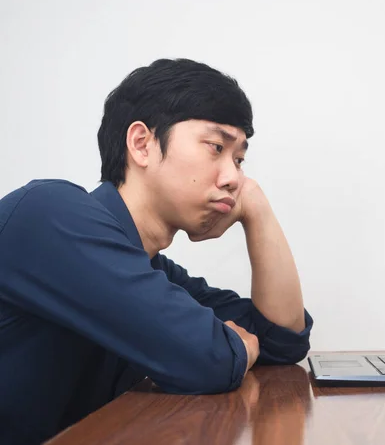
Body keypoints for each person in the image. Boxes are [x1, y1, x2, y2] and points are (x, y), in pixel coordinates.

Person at [0, 58, 313, 444]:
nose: (234, 177)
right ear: (142, 144)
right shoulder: (49, 216)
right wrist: (230, 348)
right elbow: (207, 359)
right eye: (216, 148)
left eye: (239, 159)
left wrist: (257, 209)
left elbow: (282, 339)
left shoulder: (150, 269)